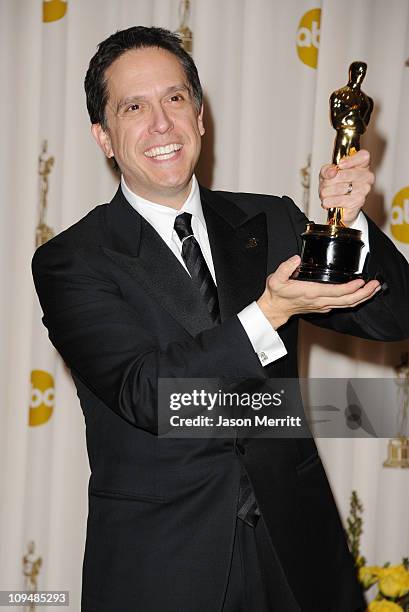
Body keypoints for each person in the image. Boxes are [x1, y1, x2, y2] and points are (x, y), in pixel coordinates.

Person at [32, 26, 409, 612]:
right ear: (103, 137)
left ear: (201, 118)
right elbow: (146, 392)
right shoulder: (70, 260)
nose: (161, 123)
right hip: (161, 564)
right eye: (134, 107)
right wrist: (271, 311)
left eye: (175, 98)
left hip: (297, 555)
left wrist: (352, 224)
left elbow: (393, 317)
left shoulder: (272, 221)